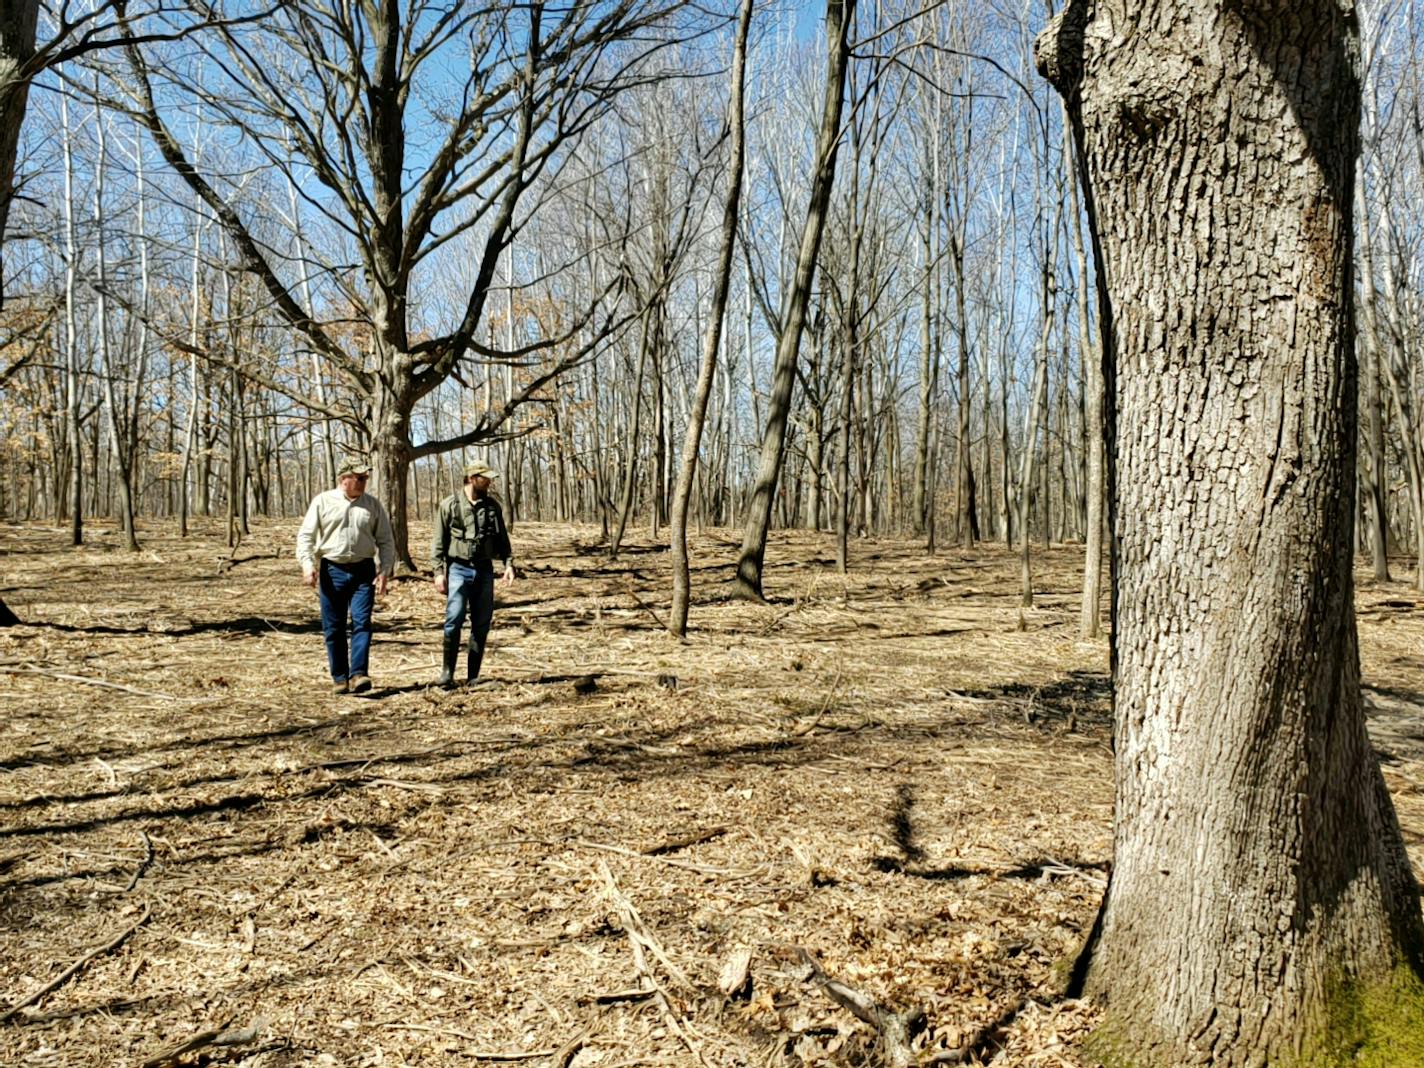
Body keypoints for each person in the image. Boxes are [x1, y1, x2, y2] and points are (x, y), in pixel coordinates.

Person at [296, 456, 396, 694]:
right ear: (344, 479)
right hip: (333, 570)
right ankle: (340, 677)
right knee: (334, 626)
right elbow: (306, 537)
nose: (363, 482)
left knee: (362, 623)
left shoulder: (372, 505)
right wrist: (307, 565)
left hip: (363, 571)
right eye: (358, 478)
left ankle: (359, 674)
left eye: (365, 478)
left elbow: (386, 540)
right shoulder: (323, 502)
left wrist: (385, 570)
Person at [431, 461, 516, 688]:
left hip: (484, 569)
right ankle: (447, 674)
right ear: (471, 477)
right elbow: (439, 542)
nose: (488, 481)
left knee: (481, 622)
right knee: (454, 618)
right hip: (458, 568)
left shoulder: (492, 507)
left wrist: (508, 564)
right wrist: (438, 572)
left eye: (489, 478)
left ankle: (473, 677)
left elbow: (502, 539)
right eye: (484, 477)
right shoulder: (449, 505)